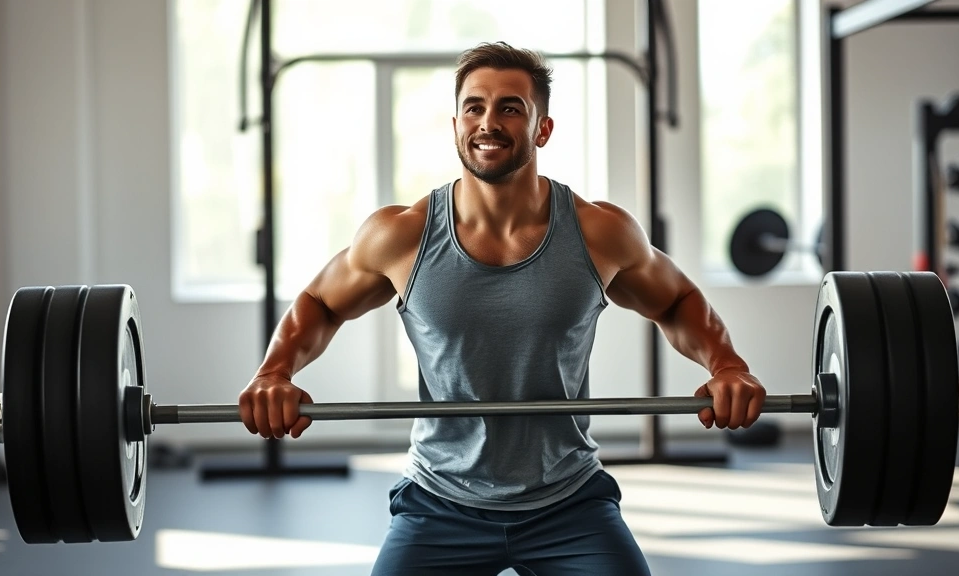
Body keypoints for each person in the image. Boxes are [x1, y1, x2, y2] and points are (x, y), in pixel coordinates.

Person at [238, 41, 766, 576]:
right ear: (456, 125)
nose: (488, 122)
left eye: (510, 108)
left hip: (569, 501)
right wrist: (274, 372)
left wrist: (726, 365)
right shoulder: (402, 235)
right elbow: (321, 303)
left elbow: (675, 298)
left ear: (542, 129)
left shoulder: (598, 231)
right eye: (475, 107)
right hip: (440, 500)